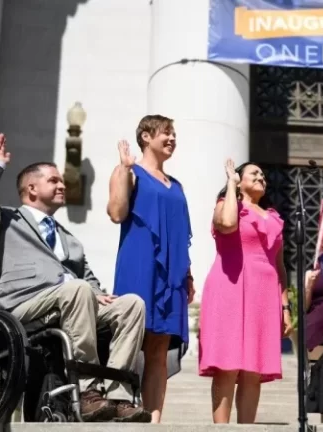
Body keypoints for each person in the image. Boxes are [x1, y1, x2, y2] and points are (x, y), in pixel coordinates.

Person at [0, 134, 148, 422]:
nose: (63, 185)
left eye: (61, 181)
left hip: (70, 303)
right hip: (22, 305)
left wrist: (98, 292)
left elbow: (88, 278)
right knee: (77, 290)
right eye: (54, 181)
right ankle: (88, 392)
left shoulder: (70, 240)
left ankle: (118, 395)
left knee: (132, 304)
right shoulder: (8, 219)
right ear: (31, 188)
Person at [107, 115, 194, 424]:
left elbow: (182, 234)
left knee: (159, 347)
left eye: (174, 134)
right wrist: (123, 169)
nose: (172, 139)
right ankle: (118, 406)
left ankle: (152, 420)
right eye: (165, 133)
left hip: (172, 274)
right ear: (146, 136)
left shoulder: (177, 185)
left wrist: (188, 274)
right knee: (132, 339)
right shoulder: (131, 173)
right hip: (139, 265)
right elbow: (116, 213)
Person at [198, 160, 292, 424]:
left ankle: (247, 429)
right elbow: (227, 224)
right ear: (239, 180)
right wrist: (230, 184)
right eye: (254, 173)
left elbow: (280, 266)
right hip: (229, 287)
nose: (261, 176)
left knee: (254, 368)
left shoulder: (273, 218)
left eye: (263, 174)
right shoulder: (227, 207)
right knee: (227, 364)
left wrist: (286, 307)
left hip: (263, 296)